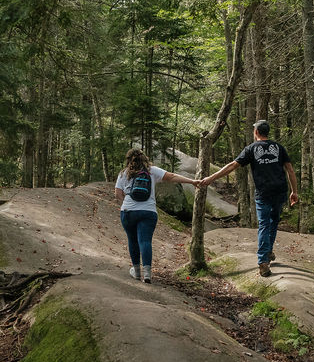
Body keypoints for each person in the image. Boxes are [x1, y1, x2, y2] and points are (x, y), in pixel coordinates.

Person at [201, 120, 299, 277]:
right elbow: (290, 170)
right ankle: (267, 253)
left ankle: (263, 261)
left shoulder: (252, 149)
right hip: (279, 191)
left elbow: (232, 165)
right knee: (272, 223)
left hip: (263, 193)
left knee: (264, 225)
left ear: (256, 133)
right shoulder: (279, 148)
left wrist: (211, 178)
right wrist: (294, 191)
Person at [115, 148, 199, 283]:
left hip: (128, 211)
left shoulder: (123, 174)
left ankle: (136, 273)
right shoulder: (151, 171)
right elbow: (171, 176)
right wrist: (193, 181)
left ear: (128, 160)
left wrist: (127, 203)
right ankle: (147, 275)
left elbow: (118, 194)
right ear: (144, 158)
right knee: (145, 241)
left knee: (133, 241)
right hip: (148, 212)